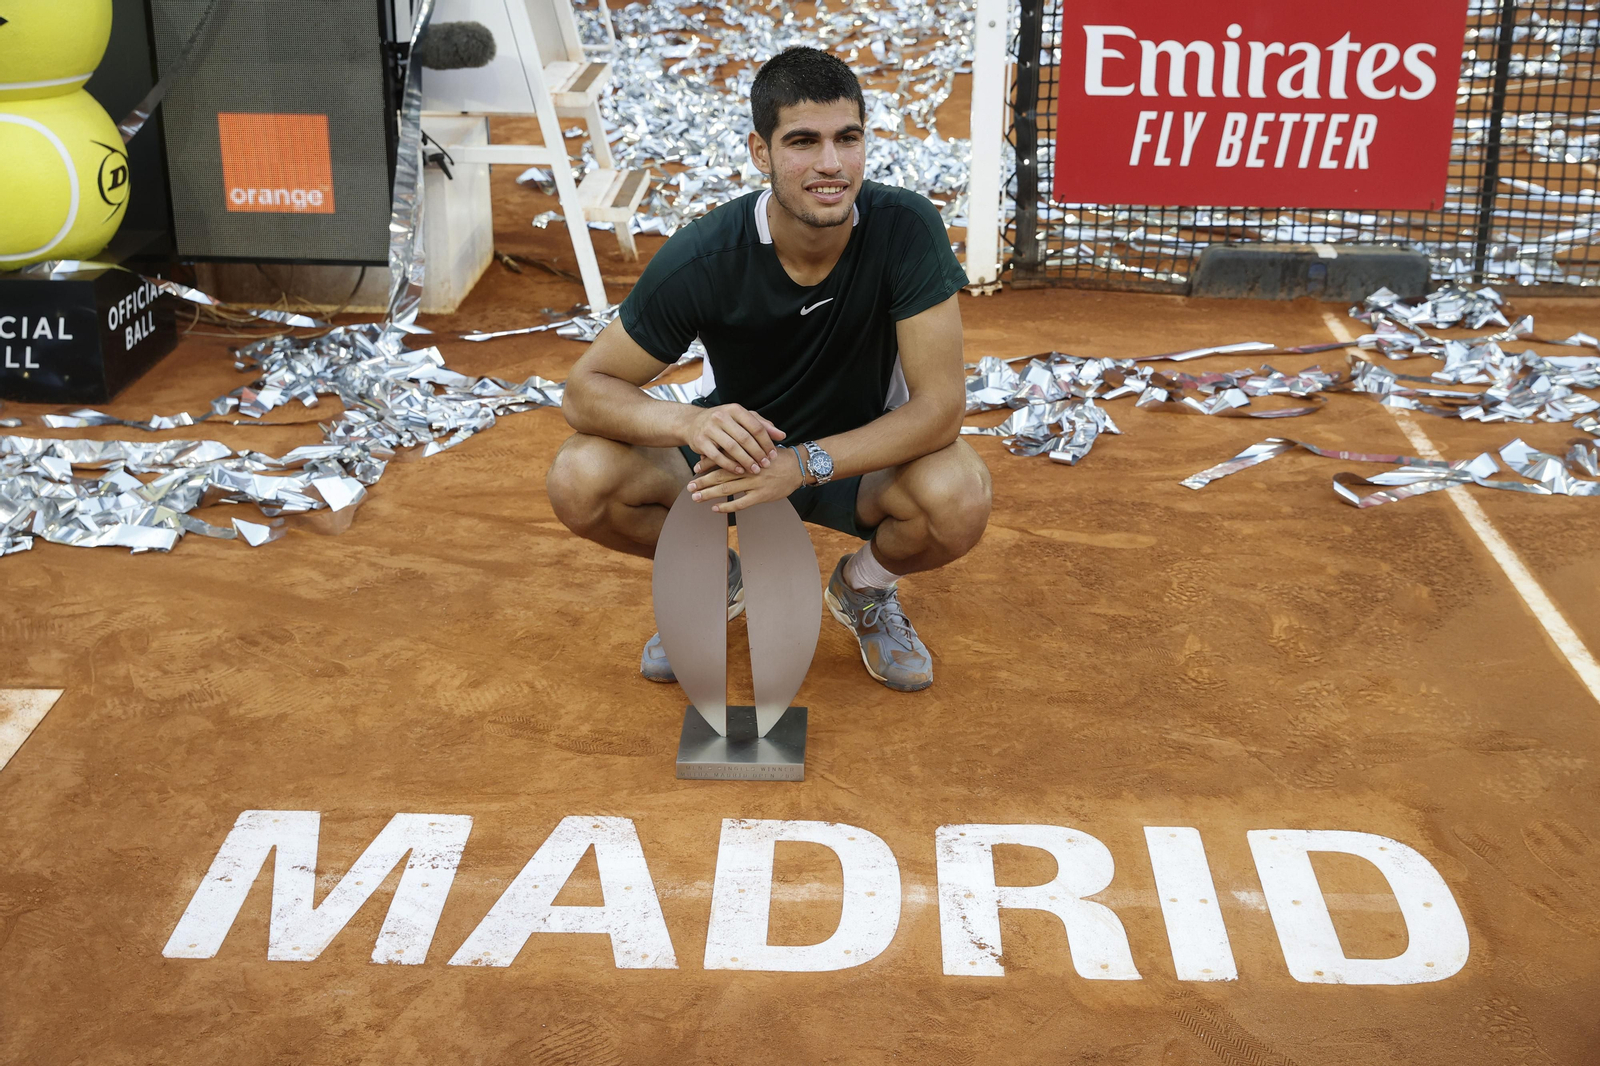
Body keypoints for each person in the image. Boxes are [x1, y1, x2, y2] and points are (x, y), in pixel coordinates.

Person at [547, 45, 992, 692]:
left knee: (961, 495)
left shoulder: (906, 229)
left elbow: (940, 410)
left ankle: (863, 590)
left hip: (862, 462)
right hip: (738, 465)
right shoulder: (707, 253)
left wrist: (805, 462)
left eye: (848, 138)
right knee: (579, 476)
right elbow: (585, 390)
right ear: (761, 152)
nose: (831, 164)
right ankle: (714, 580)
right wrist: (688, 426)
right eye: (803, 142)